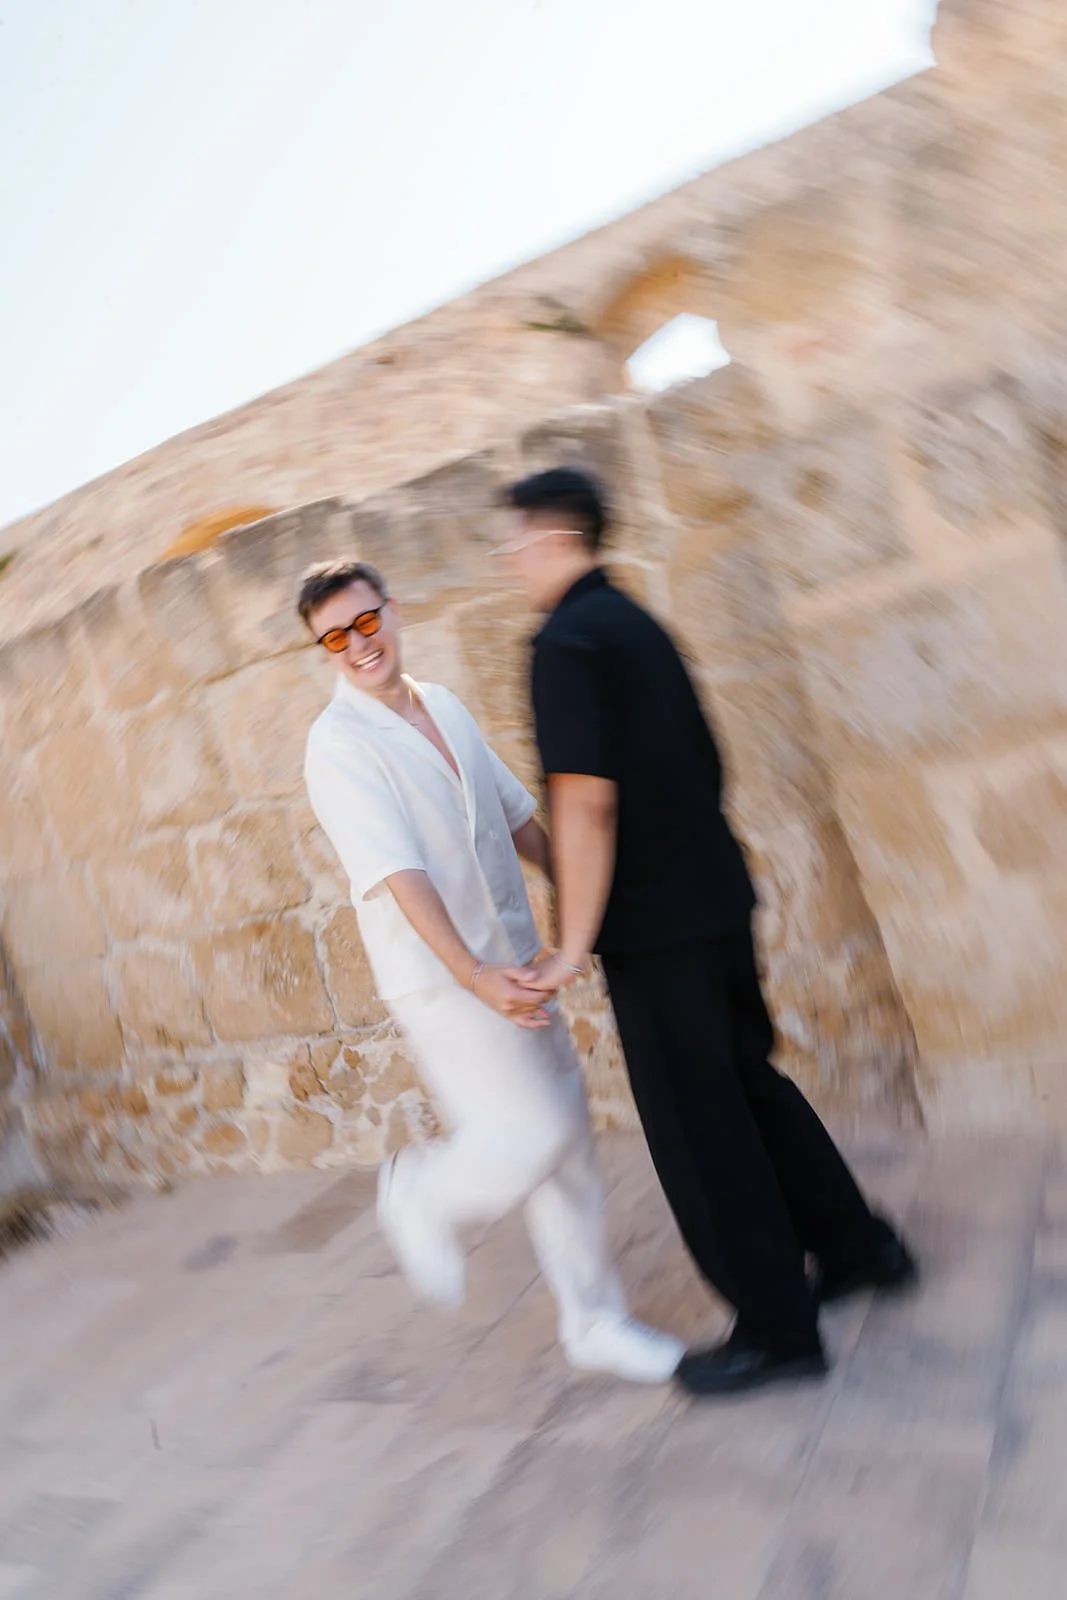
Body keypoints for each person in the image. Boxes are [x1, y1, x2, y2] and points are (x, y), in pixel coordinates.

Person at [499, 468, 917, 1399]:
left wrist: (571, 941)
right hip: (716, 899)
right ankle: (859, 1251)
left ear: (556, 539)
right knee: (749, 1088)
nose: (509, 558)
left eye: (515, 539)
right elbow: (703, 758)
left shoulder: (563, 642)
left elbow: (585, 801)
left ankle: (776, 1330)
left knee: (699, 1129)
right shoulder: (635, 624)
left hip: (653, 928)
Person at [299, 557, 684, 1386]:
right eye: (335, 637)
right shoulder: (335, 747)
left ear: (391, 611)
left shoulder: (440, 703)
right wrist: (474, 975)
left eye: (365, 621)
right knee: (530, 1134)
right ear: (323, 649)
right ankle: (422, 1195)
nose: (357, 644)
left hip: (514, 958)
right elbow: (398, 874)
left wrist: (583, 893)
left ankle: (594, 1320)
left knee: (569, 1138)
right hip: (444, 982)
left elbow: (516, 818)